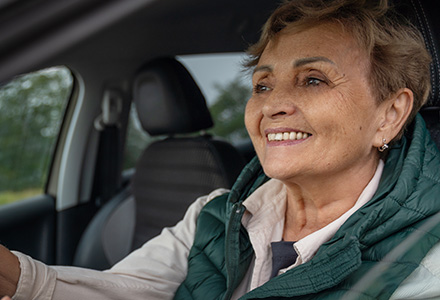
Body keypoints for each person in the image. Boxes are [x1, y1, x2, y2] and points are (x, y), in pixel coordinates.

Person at [1, 0, 440, 299]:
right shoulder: (217, 212)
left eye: (313, 80)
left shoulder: (426, 260)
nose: (272, 105)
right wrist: (21, 279)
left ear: (390, 114)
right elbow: (128, 288)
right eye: (262, 85)